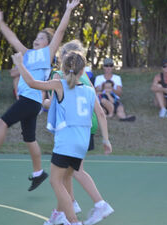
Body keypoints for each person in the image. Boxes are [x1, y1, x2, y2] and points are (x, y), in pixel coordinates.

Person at [0, 0, 80, 193]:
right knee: (29, 139)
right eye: (36, 37)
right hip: (30, 102)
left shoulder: (47, 53)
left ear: (48, 43)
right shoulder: (27, 54)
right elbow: (13, 39)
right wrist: (0, 23)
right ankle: (38, 173)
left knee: (2, 122)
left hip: (30, 100)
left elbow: (60, 31)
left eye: (42, 37)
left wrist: (68, 10)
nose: (37, 39)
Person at [12, 50, 112, 225]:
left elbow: (32, 83)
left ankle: (73, 220)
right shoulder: (89, 90)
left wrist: (20, 63)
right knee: (66, 177)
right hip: (82, 141)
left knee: (55, 180)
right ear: (83, 72)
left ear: (63, 70)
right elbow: (101, 114)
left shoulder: (59, 85)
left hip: (67, 141)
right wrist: (106, 139)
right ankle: (60, 213)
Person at [42, 40, 114, 225]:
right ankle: (62, 210)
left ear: (61, 59)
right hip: (88, 125)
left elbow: (53, 102)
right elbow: (95, 104)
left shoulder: (58, 76)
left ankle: (97, 204)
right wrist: (105, 138)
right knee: (67, 173)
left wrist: (44, 102)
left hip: (74, 129)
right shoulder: (83, 77)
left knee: (73, 172)